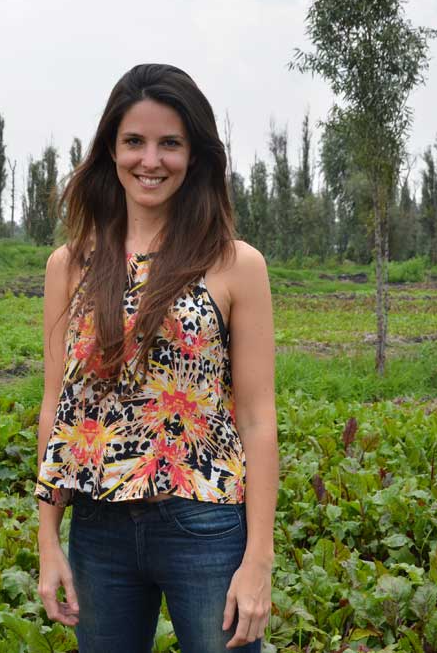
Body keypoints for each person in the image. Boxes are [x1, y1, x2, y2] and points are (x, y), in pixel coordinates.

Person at [33, 63, 278, 652]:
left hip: (205, 524)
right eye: (134, 142)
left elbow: (257, 419)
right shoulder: (71, 265)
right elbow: (56, 407)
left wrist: (258, 560)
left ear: (194, 155)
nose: (151, 159)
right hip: (99, 528)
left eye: (170, 143)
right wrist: (48, 541)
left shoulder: (235, 264)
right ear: (110, 152)